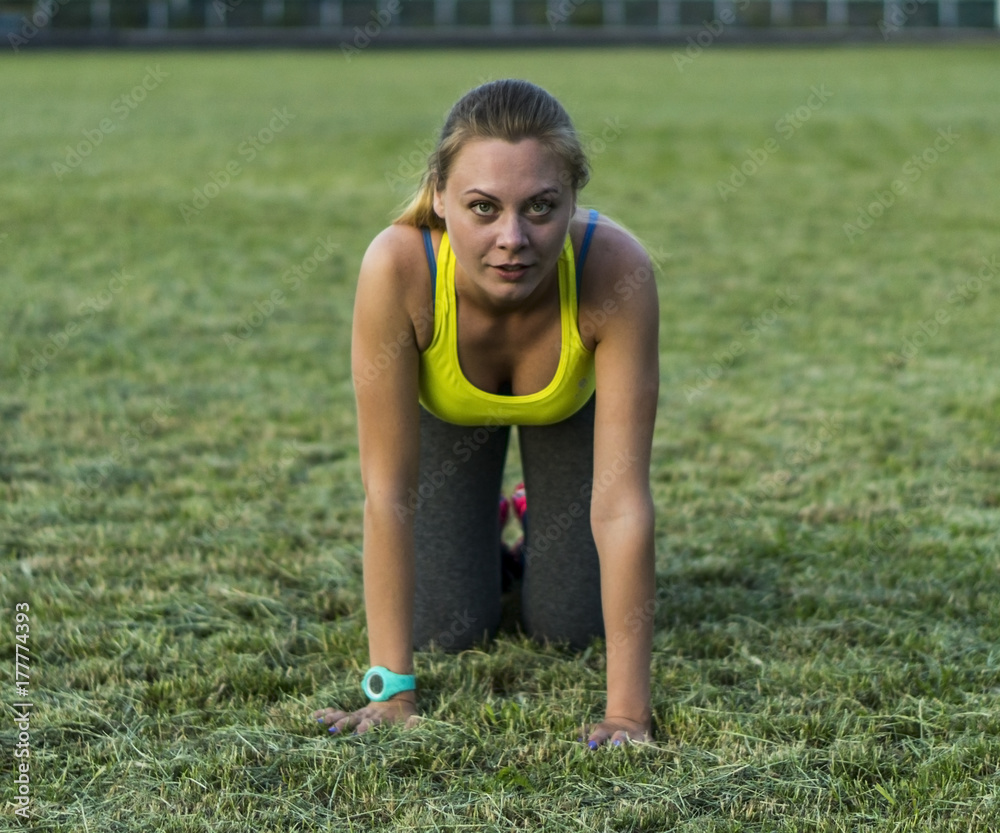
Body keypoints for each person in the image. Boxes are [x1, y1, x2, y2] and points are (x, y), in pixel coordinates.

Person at [313, 79, 659, 748]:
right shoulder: (397, 267)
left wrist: (627, 715)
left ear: (573, 200)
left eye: (540, 207)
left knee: (569, 624)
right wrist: (392, 692)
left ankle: (536, 515)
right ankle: (486, 524)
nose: (513, 238)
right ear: (440, 196)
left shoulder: (616, 270)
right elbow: (387, 492)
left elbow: (623, 505)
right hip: (446, 415)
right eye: (483, 207)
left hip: (567, 410)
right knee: (443, 627)